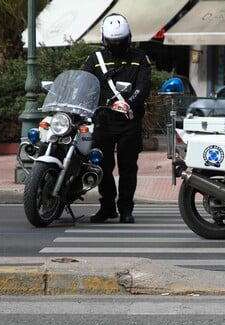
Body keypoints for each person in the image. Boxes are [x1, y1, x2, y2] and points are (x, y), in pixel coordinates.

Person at [83, 14, 151, 223]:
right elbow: (84, 84)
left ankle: (126, 209)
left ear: (128, 37)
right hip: (103, 120)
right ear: (104, 39)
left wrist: (129, 103)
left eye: (120, 40)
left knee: (128, 166)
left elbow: (143, 87)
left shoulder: (140, 58)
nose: (117, 44)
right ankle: (107, 207)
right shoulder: (95, 59)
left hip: (129, 120)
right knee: (102, 165)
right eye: (113, 41)